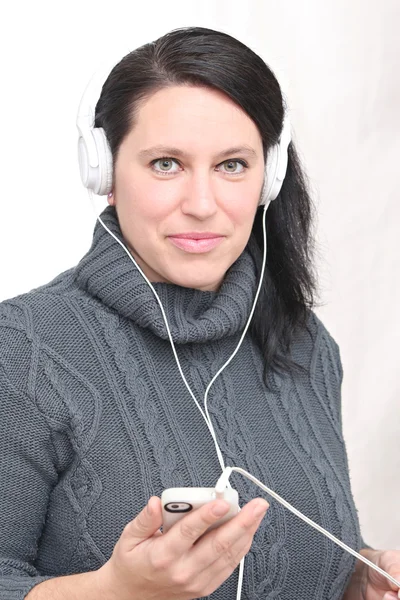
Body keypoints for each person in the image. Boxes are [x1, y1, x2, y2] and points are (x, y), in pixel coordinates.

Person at [0, 25, 398, 600]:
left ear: (270, 176)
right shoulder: (24, 348)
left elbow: (299, 552)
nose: (203, 204)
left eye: (232, 165)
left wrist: (358, 576)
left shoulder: (302, 343)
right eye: (166, 164)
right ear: (106, 173)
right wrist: (115, 591)